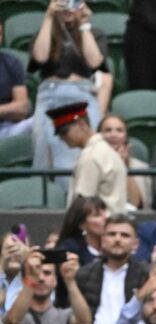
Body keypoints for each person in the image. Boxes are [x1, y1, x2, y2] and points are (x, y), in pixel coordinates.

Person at [28, 0, 109, 174]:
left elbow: (94, 62)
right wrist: (49, 17)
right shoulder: (44, 32)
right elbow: (40, 57)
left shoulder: (95, 33)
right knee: (43, 151)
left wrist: (84, 24)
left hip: (83, 94)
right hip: (50, 93)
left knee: (90, 150)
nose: (68, 7)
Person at [3, 248, 90, 324]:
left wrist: (70, 280)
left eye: (47, 273)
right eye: (37, 272)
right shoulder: (19, 315)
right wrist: (30, 280)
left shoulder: (64, 316)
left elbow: (85, 323)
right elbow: (13, 321)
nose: (41, 278)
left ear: (55, 280)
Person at [47, 102, 127, 215]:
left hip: (99, 227)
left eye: (64, 132)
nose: (62, 138)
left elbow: (82, 207)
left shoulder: (91, 156)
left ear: (81, 124)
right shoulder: (105, 150)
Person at [97, 114, 152, 210]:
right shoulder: (91, 163)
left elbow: (136, 204)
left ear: (126, 137)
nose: (113, 134)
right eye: (108, 130)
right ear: (99, 136)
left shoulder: (141, 167)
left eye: (119, 130)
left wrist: (123, 166)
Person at [55, 195, 108, 265]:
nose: (106, 218)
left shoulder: (113, 247)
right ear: (82, 225)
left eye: (105, 212)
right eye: (97, 215)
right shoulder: (71, 249)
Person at [0, 23, 32, 140]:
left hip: (7, 128)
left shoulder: (11, 63)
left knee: (43, 121)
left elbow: (22, 108)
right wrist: (8, 109)